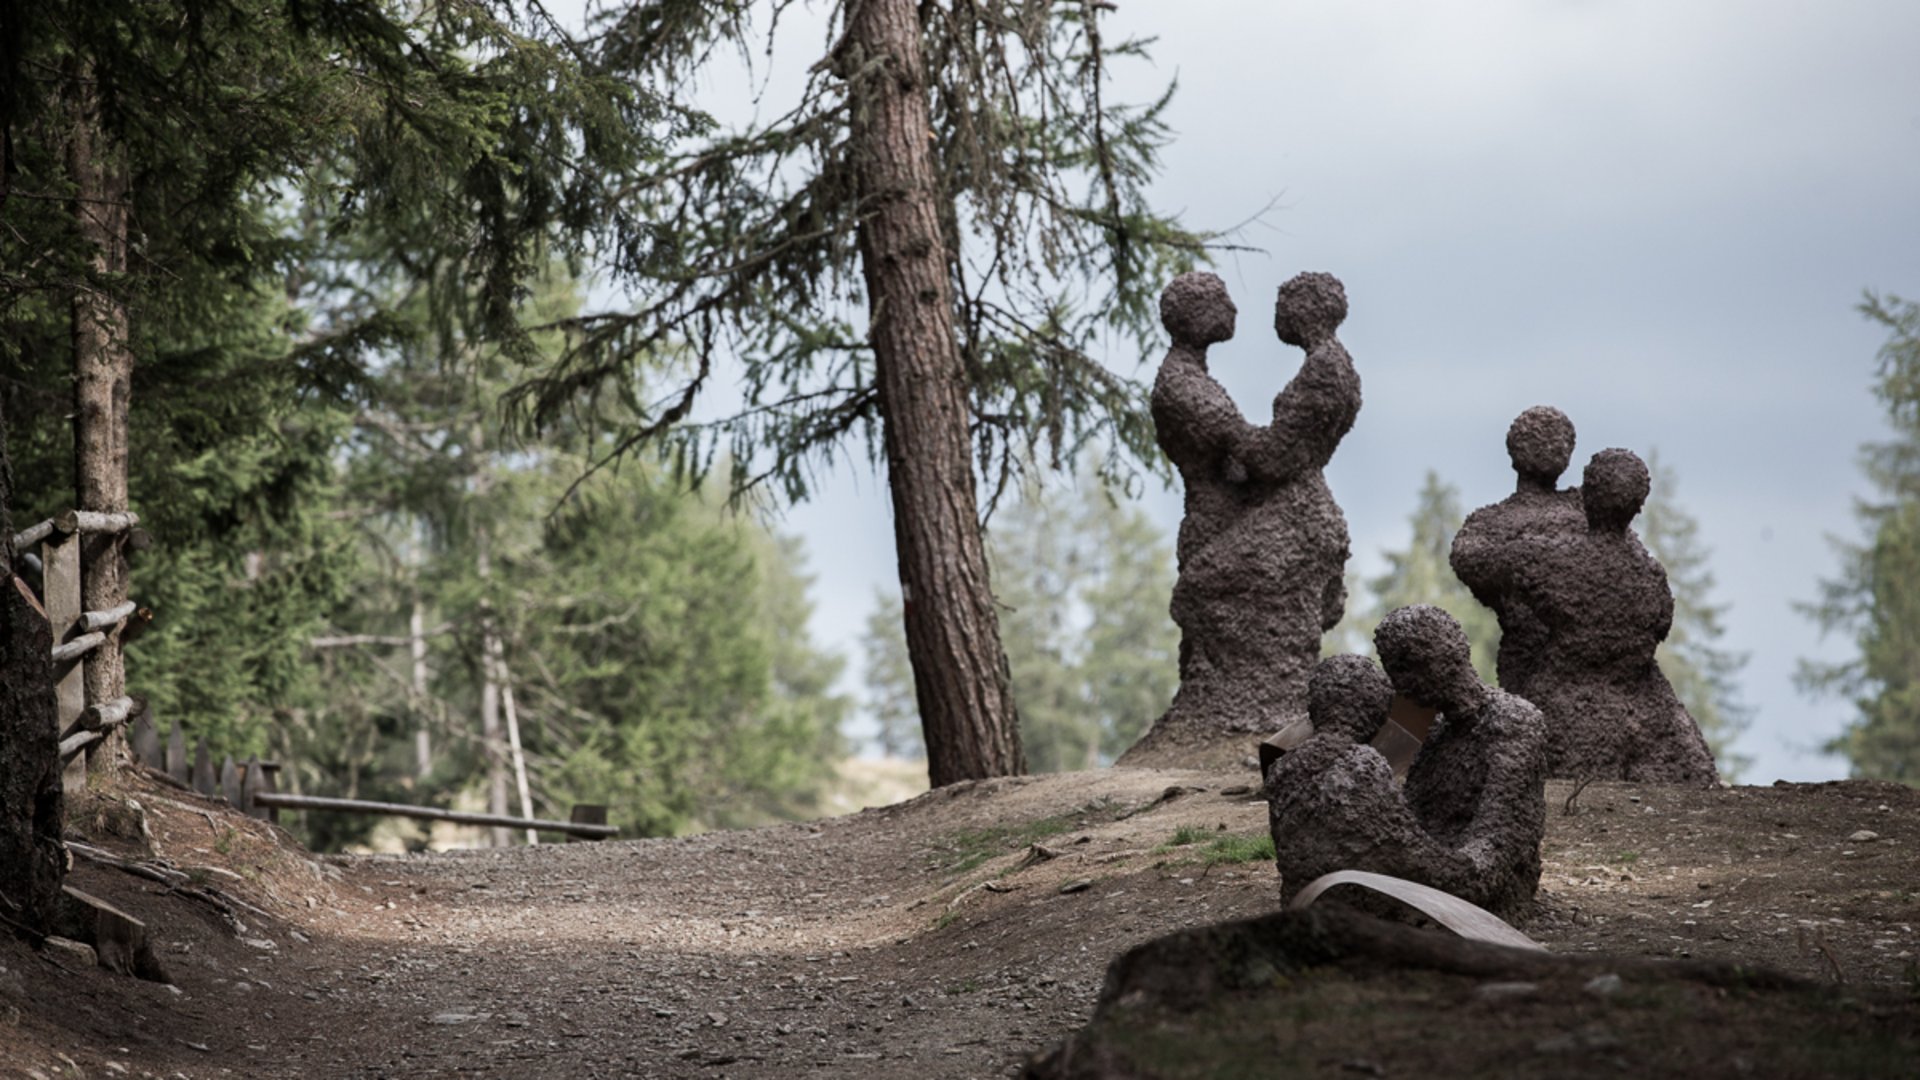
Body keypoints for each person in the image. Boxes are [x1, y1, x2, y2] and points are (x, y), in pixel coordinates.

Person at [1125, 271, 1361, 759]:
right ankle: (1225, 721)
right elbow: (1253, 451)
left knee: (1218, 597)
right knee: (1205, 602)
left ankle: (1269, 720)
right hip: (1222, 514)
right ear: (1194, 316)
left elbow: (1267, 456)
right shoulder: (1184, 385)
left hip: (1278, 510)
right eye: (1220, 301)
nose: (1234, 309)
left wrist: (1267, 456)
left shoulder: (1323, 369)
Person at [1516, 450, 1719, 783]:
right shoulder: (1651, 575)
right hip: (1641, 704)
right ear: (1638, 506)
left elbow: (1489, 564)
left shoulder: (1557, 562)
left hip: (1566, 702)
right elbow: (1662, 624)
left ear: (1587, 497)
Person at [1376, 605, 1548, 919]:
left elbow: (1497, 840)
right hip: (1434, 873)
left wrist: (1426, 869)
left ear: (1439, 659)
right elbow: (1412, 815)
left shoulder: (1512, 721)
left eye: (1403, 667)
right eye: (1393, 670)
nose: (1399, 683)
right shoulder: (1438, 731)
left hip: (1481, 889)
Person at [1266, 654, 1471, 903]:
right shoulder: (1363, 765)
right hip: (1356, 906)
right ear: (1375, 712)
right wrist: (1466, 866)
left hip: (1301, 901)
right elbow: (1406, 851)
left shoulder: (1281, 768)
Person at [1450, 405, 1584, 699]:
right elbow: (1466, 556)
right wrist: (1528, 557)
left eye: (1560, 438)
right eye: (1540, 437)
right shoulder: (1489, 522)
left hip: (1585, 657)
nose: (1551, 444)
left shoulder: (1584, 508)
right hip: (1526, 655)